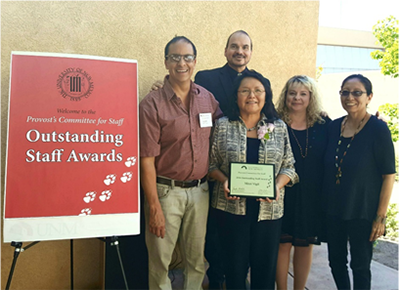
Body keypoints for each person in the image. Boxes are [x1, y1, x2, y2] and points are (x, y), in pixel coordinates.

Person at [151, 30, 265, 290]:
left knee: (221, 237)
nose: (240, 51)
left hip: (233, 174)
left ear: (250, 52)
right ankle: (217, 280)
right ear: (225, 51)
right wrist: (163, 87)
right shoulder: (206, 79)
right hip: (205, 173)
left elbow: (266, 113)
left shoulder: (257, 81)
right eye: (234, 46)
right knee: (206, 238)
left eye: (245, 47)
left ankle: (231, 277)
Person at [139, 36, 222, 290]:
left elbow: (226, 129)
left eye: (187, 57)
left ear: (195, 61)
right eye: (175, 57)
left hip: (201, 192)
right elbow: (146, 161)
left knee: (196, 261)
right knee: (160, 262)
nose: (181, 63)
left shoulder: (207, 99)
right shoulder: (151, 104)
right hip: (166, 192)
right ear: (166, 62)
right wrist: (154, 206)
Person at [208, 70, 298, 290]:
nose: (252, 96)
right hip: (230, 210)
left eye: (258, 90)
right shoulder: (222, 126)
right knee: (234, 270)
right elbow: (210, 166)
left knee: (265, 271)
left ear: (266, 95)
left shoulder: (277, 127)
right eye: (245, 91)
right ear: (236, 96)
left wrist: (276, 185)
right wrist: (224, 180)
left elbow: (289, 166)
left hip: (268, 211)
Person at [323, 74, 395, 290]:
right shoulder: (333, 128)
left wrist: (380, 218)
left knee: (360, 265)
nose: (350, 97)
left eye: (357, 92)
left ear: (369, 97)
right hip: (333, 209)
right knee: (335, 262)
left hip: (362, 211)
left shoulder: (378, 129)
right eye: (345, 92)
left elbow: (388, 175)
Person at [274, 75, 330, 290]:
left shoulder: (324, 124)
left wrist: (375, 121)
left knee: (305, 245)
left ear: (310, 97)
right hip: (282, 193)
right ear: (285, 95)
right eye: (292, 93)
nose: (297, 98)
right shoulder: (274, 122)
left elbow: (349, 129)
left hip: (311, 195)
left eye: (303, 94)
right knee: (282, 244)